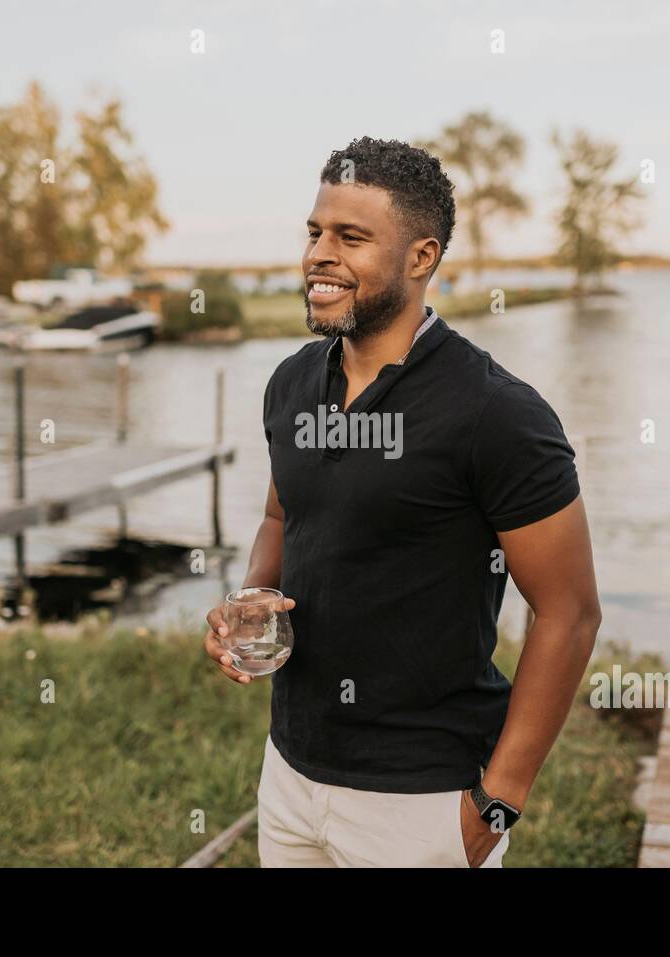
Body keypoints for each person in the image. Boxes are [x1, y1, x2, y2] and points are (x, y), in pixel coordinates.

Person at [204, 137, 602, 867]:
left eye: (350, 238)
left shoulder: (497, 413)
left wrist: (498, 801)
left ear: (421, 257)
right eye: (315, 232)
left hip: (422, 802)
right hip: (289, 771)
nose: (320, 255)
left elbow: (569, 613)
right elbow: (282, 515)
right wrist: (253, 600)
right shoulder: (291, 382)